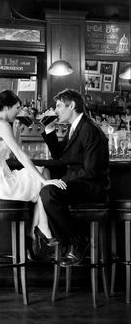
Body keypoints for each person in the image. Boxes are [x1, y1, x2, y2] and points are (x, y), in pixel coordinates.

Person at [0, 90, 67, 258]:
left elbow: (8, 153)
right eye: (17, 108)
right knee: (44, 174)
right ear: (7, 107)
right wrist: (43, 181)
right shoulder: (1, 124)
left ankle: (37, 230)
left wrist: (17, 129)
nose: (19, 111)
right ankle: (40, 228)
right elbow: (19, 154)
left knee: (43, 174)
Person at [40, 88, 110, 267]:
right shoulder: (75, 127)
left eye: (58, 106)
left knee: (49, 193)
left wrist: (64, 181)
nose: (55, 110)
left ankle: (75, 241)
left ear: (71, 106)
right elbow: (58, 154)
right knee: (46, 192)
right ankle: (70, 241)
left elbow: (92, 170)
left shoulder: (89, 129)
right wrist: (49, 129)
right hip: (79, 184)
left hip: (91, 187)